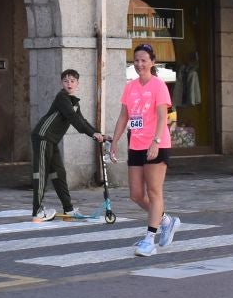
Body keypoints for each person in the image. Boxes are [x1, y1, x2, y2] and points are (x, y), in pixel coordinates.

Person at [110, 44, 178, 256]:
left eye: (143, 60)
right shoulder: (130, 87)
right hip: (136, 145)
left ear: (152, 62)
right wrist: (115, 141)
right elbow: (124, 116)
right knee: (136, 194)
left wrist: (156, 141)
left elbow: (162, 117)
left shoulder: (159, 85)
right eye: (136, 60)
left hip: (157, 144)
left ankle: (150, 240)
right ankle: (166, 221)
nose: (139, 64)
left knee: (154, 192)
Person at [30, 69, 106, 220]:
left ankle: (68, 210)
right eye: (65, 81)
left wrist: (98, 134)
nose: (69, 84)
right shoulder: (62, 97)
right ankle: (37, 211)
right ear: (61, 83)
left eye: (72, 81)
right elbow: (72, 118)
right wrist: (92, 134)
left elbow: (82, 121)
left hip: (52, 140)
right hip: (43, 137)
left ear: (77, 83)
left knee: (59, 173)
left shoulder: (74, 103)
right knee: (41, 173)